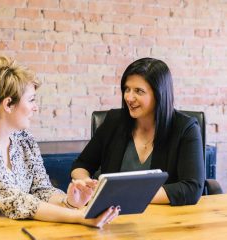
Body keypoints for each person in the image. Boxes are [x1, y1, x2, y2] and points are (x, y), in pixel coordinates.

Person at [0, 56, 120, 228]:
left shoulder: (24, 139)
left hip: (5, 228)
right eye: (31, 100)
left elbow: (41, 189)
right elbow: (14, 201)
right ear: (8, 105)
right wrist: (80, 216)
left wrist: (70, 202)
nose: (35, 107)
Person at [71, 58, 205, 206]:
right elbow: (81, 164)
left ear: (159, 94)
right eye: (127, 89)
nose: (129, 97)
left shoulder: (185, 128)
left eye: (139, 91)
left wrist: (126, 195)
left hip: (164, 219)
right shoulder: (114, 121)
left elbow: (192, 188)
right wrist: (84, 181)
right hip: (112, 216)